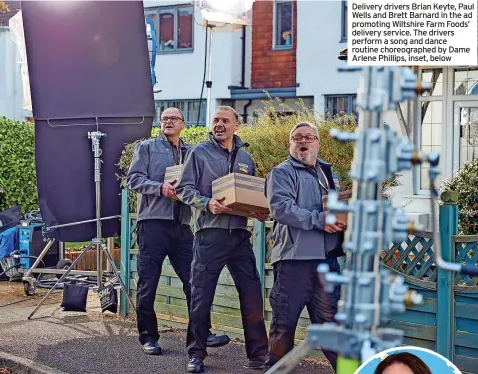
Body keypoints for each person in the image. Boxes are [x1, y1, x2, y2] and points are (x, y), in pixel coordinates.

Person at [126, 107, 230, 356]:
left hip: (182, 225)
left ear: (183, 124)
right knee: (148, 283)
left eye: (173, 119)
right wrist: (159, 187)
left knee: (195, 281)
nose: (168, 122)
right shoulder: (147, 148)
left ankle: (202, 333)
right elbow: (133, 179)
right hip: (152, 223)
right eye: (164, 119)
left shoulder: (191, 152)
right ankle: (148, 337)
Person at [176, 106, 269, 373]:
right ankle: (196, 354)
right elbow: (184, 189)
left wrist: (258, 211)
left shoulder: (245, 157)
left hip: (240, 236)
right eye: (216, 120)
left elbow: (248, 194)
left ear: (236, 126)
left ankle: (258, 355)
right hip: (209, 236)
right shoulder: (199, 153)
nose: (219, 124)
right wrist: (207, 204)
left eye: (225, 121)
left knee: (252, 296)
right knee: (201, 297)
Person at [264, 121, 346, 371]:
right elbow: (282, 209)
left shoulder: (330, 174)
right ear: (290, 143)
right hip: (294, 261)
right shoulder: (281, 173)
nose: (303, 142)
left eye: (309, 137)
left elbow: (337, 212)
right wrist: (321, 220)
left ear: (318, 143)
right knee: (283, 328)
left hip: (326, 261)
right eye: (297, 137)